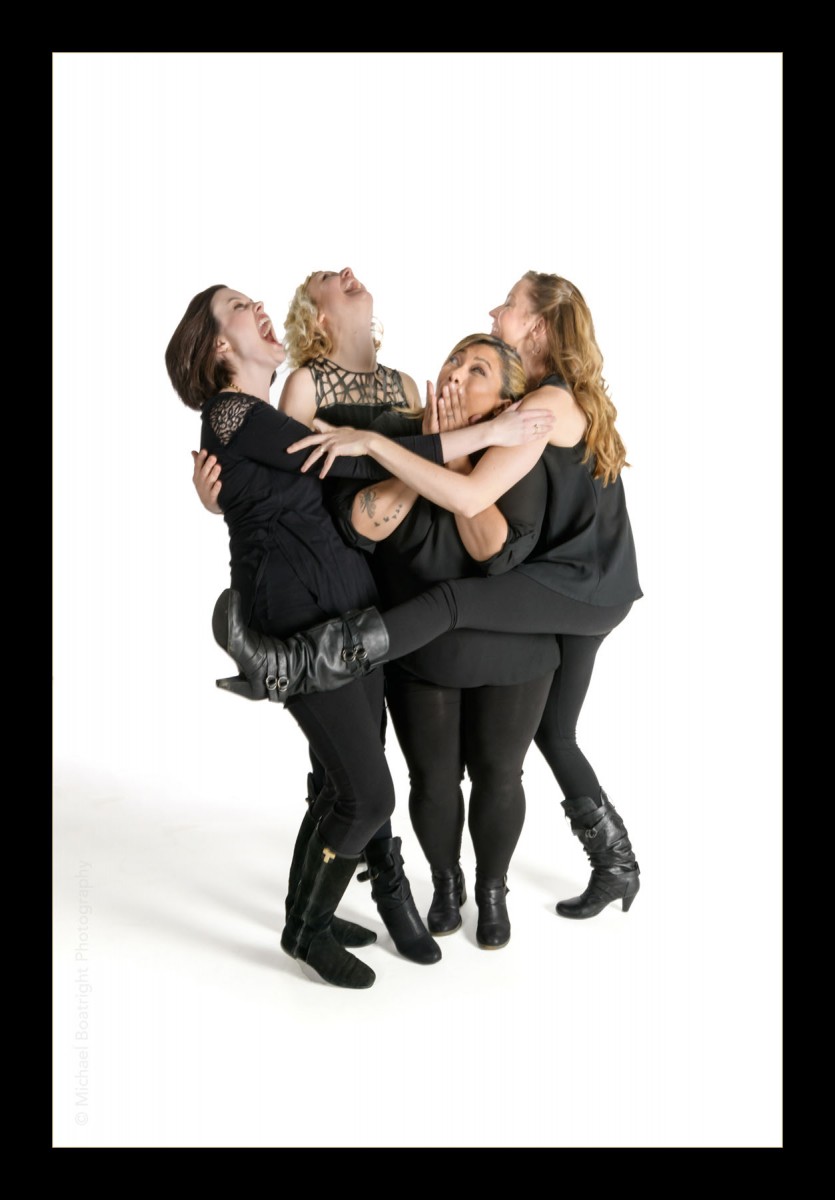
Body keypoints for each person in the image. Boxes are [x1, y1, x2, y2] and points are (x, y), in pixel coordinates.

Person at [211, 271, 644, 921]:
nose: (495, 309)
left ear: (537, 328)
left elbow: (475, 511)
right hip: (589, 581)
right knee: (555, 733)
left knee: (452, 604)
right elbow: (301, 471)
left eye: (510, 305)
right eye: (455, 362)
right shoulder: (529, 400)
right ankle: (617, 864)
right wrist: (233, 495)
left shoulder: (540, 406)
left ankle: (302, 663)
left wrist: (382, 444)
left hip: (578, 583)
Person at [170, 283, 554, 989]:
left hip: (347, 607)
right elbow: (353, 464)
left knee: (336, 785)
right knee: (368, 797)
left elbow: (328, 480)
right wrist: (486, 436)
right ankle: (306, 933)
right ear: (219, 344)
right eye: (239, 307)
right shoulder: (229, 412)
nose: (258, 306)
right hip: (302, 617)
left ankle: (301, 910)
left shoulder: (259, 415)